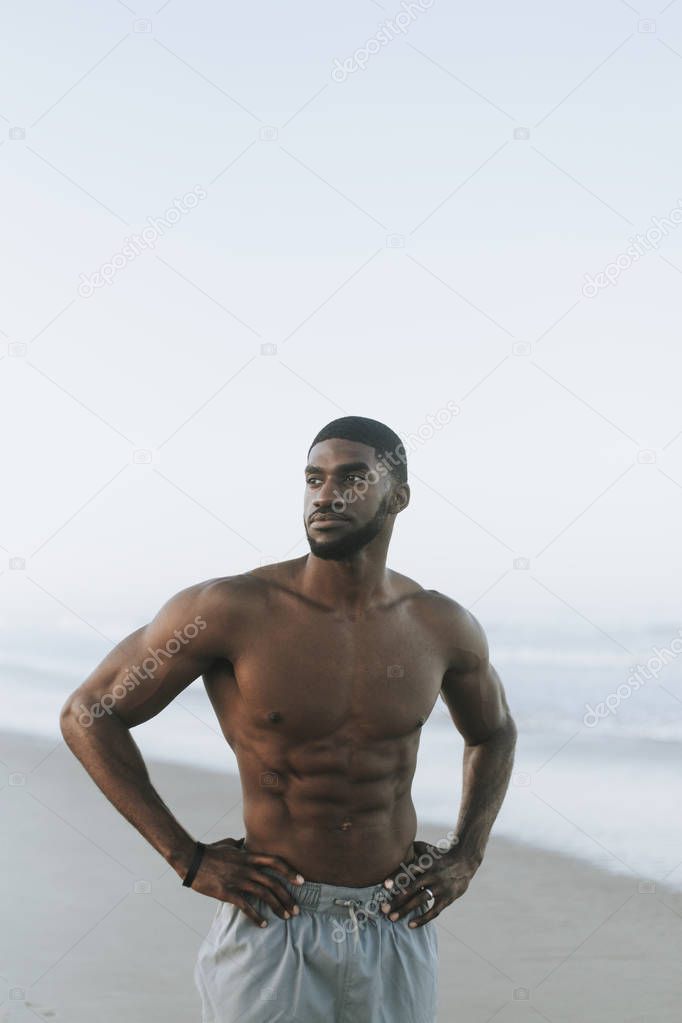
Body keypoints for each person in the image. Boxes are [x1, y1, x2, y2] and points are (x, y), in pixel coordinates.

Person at [60, 415, 517, 1023]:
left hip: (396, 921)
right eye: (314, 478)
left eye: (353, 477)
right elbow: (89, 713)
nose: (326, 494)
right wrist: (185, 857)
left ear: (398, 497)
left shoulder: (440, 625)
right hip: (275, 920)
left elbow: (493, 732)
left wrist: (467, 855)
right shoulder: (230, 609)